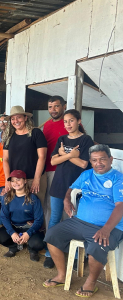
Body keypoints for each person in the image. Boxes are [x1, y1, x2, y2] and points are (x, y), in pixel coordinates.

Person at [43, 145, 123, 297]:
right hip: (80, 222)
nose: (98, 163)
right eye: (94, 160)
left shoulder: (118, 179)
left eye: (102, 159)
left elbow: (120, 206)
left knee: (96, 247)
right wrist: (67, 199)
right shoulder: (86, 175)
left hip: (110, 227)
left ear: (111, 160)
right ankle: (61, 275)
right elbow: (71, 188)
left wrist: (106, 229)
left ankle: (91, 282)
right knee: (52, 235)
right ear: (90, 162)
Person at [43, 109, 94, 269]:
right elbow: (52, 161)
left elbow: (84, 164)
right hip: (59, 184)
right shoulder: (62, 138)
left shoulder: (86, 140)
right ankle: (50, 252)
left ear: (78, 121)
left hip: (78, 187)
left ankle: (78, 255)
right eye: (65, 122)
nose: (68, 124)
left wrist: (63, 155)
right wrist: (71, 155)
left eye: (71, 120)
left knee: (77, 221)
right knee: (54, 218)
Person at [0, 170, 45, 261]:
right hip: (15, 226)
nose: (15, 183)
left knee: (38, 243)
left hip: (29, 227)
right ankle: (14, 247)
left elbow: (39, 219)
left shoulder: (33, 198)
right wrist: (12, 233)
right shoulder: (7, 197)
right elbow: (4, 217)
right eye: (12, 181)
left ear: (25, 181)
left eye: (18, 179)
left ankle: (32, 250)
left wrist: (28, 233)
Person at [2, 106, 47, 204]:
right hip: (16, 182)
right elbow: (5, 159)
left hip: (33, 179)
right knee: (18, 211)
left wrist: (36, 179)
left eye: (18, 117)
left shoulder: (36, 133)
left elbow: (42, 157)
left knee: (36, 210)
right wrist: (8, 180)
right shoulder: (9, 136)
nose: (16, 121)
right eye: (13, 119)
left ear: (25, 118)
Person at [42, 96, 67, 232]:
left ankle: (65, 237)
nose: (53, 110)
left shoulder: (70, 122)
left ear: (64, 106)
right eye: (50, 107)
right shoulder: (47, 124)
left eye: (56, 106)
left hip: (66, 170)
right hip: (49, 169)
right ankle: (51, 239)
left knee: (66, 204)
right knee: (50, 206)